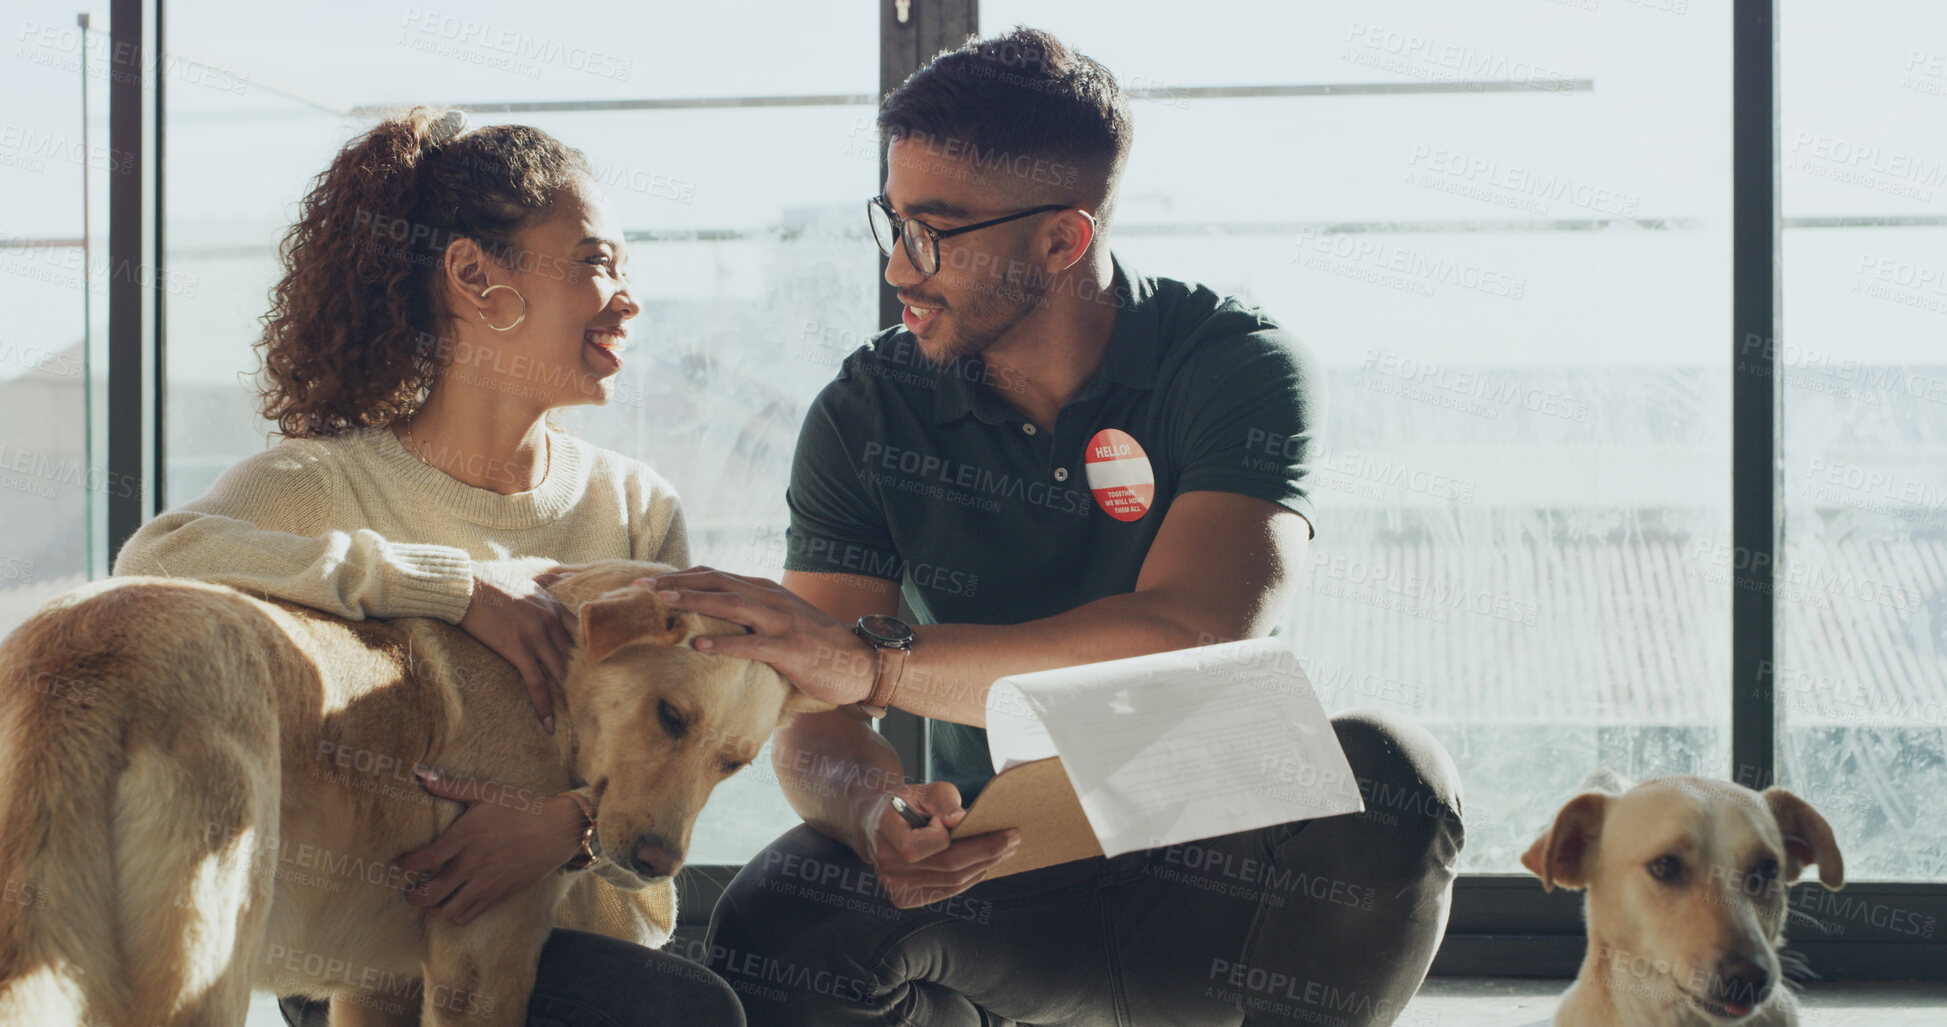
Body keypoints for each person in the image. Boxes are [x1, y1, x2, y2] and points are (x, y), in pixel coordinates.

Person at [645, 28, 1465, 1026]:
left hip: (1218, 876)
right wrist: (868, 807)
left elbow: (1192, 634)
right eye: (893, 222)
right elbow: (817, 713)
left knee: (1390, 769)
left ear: (1062, 241)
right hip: (997, 874)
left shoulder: (1236, 366)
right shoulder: (867, 412)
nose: (901, 268)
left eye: (935, 233)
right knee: (781, 913)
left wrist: (879, 666)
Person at [112, 106, 744, 1026]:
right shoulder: (322, 480)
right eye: (597, 262)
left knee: (684, 1009)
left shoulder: (637, 509)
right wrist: (450, 588)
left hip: (566, 947)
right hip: (351, 938)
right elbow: (154, 560)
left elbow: (680, 739)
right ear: (476, 277)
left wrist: (561, 829)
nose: (627, 297)